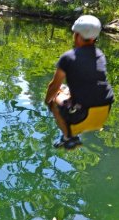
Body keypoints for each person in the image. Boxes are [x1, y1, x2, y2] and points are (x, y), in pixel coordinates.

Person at [45, 15, 114, 150]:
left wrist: (47, 101)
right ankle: (72, 130)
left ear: (76, 35)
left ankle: (68, 138)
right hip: (105, 110)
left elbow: (53, 86)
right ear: (95, 37)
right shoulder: (99, 54)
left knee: (54, 98)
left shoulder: (68, 57)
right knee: (66, 90)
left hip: (84, 114)